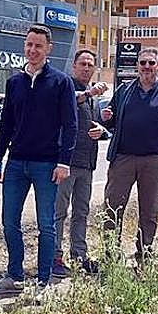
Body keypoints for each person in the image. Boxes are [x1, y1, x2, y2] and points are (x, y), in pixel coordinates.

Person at [0, 25, 77, 294]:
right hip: (16, 163)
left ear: (49, 48)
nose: (32, 50)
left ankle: (43, 281)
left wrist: (64, 161)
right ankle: (14, 276)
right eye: (29, 45)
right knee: (9, 221)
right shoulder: (15, 82)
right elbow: (6, 124)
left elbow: (70, 125)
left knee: (45, 224)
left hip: (47, 165)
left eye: (38, 45)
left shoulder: (61, 82)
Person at [99, 46, 158, 261]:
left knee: (149, 211)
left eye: (151, 63)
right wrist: (107, 117)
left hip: (154, 161)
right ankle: (111, 254)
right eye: (143, 63)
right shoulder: (124, 90)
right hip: (123, 158)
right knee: (112, 207)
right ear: (137, 66)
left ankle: (144, 252)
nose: (147, 67)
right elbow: (111, 120)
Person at [52, 50, 108, 278]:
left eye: (90, 65)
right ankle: (53, 257)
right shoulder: (65, 86)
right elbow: (70, 101)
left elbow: (93, 125)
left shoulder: (92, 97)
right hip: (66, 162)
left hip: (87, 163)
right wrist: (88, 92)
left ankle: (79, 255)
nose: (86, 68)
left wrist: (102, 129)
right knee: (58, 212)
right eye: (82, 64)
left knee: (82, 212)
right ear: (73, 66)